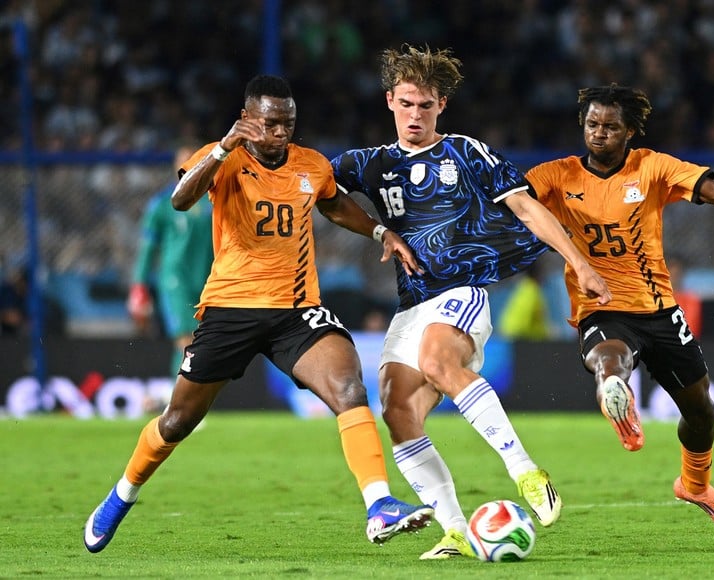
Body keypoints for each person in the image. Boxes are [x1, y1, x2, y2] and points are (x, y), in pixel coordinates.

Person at [83, 74, 433, 554]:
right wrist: (224, 148)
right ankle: (121, 495)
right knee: (176, 423)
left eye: (287, 124)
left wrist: (379, 233)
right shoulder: (224, 158)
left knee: (349, 388)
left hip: (297, 310)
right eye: (269, 124)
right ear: (247, 120)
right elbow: (181, 198)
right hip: (231, 310)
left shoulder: (310, 164)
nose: (279, 134)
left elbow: (334, 205)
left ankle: (379, 505)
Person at [331, 45, 611, 559]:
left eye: (427, 106)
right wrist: (377, 231)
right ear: (390, 101)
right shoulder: (371, 164)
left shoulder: (465, 151)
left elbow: (527, 208)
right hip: (410, 303)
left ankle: (526, 472)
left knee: (439, 361)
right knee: (397, 411)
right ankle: (456, 530)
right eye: (408, 104)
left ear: (441, 107)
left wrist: (580, 264)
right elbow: (314, 186)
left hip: (461, 291)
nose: (416, 115)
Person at [525, 83, 714, 531]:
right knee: (607, 357)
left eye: (610, 127)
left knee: (700, 410)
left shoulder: (652, 168)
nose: (599, 134)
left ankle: (695, 485)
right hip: (600, 304)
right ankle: (615, 392)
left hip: (659, 309)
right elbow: (514, 204)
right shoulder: (555, 175)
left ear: (630, 131)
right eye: (592, 124)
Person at [127, 143, 214, 382]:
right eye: (184, 160)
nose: (189, 165)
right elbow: (147, 249)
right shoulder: (163, 204)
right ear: (176, 165)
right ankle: (181, 402)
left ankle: (179, 401)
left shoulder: (215, 201)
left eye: (195, 159)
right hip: (176, 279)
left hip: (209, 279)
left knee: (198, 343)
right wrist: (139, 285)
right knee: (186, 340)